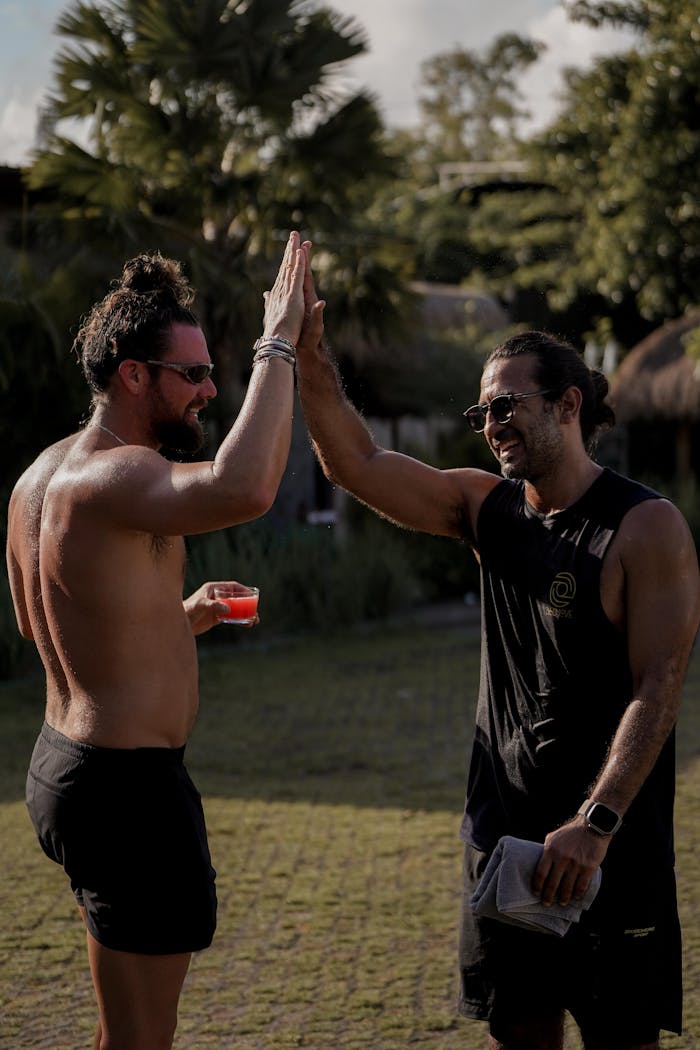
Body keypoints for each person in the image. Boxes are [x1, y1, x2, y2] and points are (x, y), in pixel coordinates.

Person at [295, 280, 700, 1050]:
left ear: (568, 405)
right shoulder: (487, 510)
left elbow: (660, 687)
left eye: (507, 405)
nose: (490, 424)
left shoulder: (647, 527)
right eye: (481, 411)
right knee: (519, 1033)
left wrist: (596, 820)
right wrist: (310, 357)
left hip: (606, 847)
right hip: (505, 840)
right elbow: (354, 461)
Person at [6, 232, 308, 1050]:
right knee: (145, 1042)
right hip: (129, 795)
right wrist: (276, 339)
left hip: (66, 769)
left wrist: (182, 618)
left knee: (122, 1035)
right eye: (196, 374)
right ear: (133, 375)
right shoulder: (120, 473)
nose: (210, 390)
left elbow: (54, 628)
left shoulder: (38, 479)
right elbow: (246, 486)